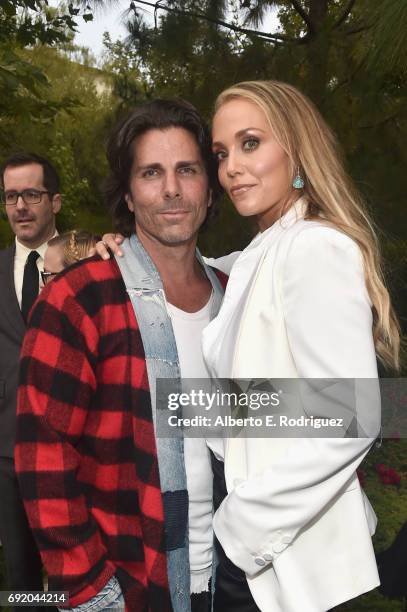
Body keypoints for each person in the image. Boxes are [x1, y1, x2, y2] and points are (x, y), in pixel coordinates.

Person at [100, 80, 400, 612]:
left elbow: (351, 414)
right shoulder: (265, 250)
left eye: (251, 143)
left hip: (270, 542)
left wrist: (238, 524)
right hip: (257, 540)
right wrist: (95, 247)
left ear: (297, 150)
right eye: (221, 153)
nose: (232, 166)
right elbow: (195, 271)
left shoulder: (314, 246)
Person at [15, 99, 228, 612]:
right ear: (129, 195)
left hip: (236, 579)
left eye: (187, 170)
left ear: (209, 188)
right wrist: (90, 587)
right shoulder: (79, 299)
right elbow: (43, 456)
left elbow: (261, 418)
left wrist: (351, 409)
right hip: (133, 585)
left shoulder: (236, 295)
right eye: (151, 173)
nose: (172, 189)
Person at [0, 152, 61, 612]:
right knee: (21, 580)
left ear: (54, 201)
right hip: (6, 452)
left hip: (70, 449)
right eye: (11, 196)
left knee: (68, 571)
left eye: (31, 195)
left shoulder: (89, 261)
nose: (21, 206)